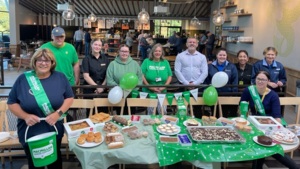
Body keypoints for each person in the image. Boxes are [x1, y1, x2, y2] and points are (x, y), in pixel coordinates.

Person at [7, 48, 74, 169]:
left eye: (47, 60)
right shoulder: (23, 79)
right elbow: (11, 103)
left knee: (55, 162)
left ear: (52, 63)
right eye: (40, 60)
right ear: (34, 61)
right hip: (30, 129)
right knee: (35, 164)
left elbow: (69, 97)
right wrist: (25, 116)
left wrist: (58, 113)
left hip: (53, 128)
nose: (43, 63)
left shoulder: (60, 77)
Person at [240, 71, 299, 169]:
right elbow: (242, 106)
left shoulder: (273, 95)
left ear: (268, 81)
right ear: (255, 79)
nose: (260, 81)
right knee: (261, 143)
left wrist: (272, 132)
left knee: (265, 144)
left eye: (263, 79)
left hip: (270, 126)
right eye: (258, 79)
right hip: (254, 124)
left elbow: (277, 117)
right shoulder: (248, 90)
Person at [205, 48, 238, 117]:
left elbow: (235, 81)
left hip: (226, 94)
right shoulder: (210, 66)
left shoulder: (232, 67)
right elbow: (207, 80)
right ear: (217, 55)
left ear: (226, 56)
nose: (222, 57)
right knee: (214, 114)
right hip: (213, 94)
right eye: (220, 55)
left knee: (225, 113)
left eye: (224, 55)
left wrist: (233, 93)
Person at [141, 43, 172, 114]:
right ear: (152, 52)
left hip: (162, 91)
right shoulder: (147, 61)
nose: (157, 53)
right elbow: (141, 75)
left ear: (162, 53)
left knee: (163, 112)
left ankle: (162, 125)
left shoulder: (165, 62)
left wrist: (164, 87)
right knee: (151, 113)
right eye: (155, 51)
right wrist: (150, 87)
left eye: (159, 51)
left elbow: (170, 76)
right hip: (149, 91)